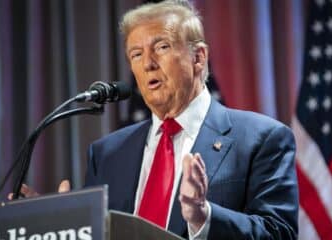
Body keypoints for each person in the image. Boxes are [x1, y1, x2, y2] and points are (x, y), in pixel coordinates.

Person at [18, 1, 299, 239]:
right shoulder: (107, 153)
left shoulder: (262, 138)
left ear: (198, 57)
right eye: (136, 54)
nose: (147, 63)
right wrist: (58, 225)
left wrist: (204, 216)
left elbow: (279, 232)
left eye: (161, 47)